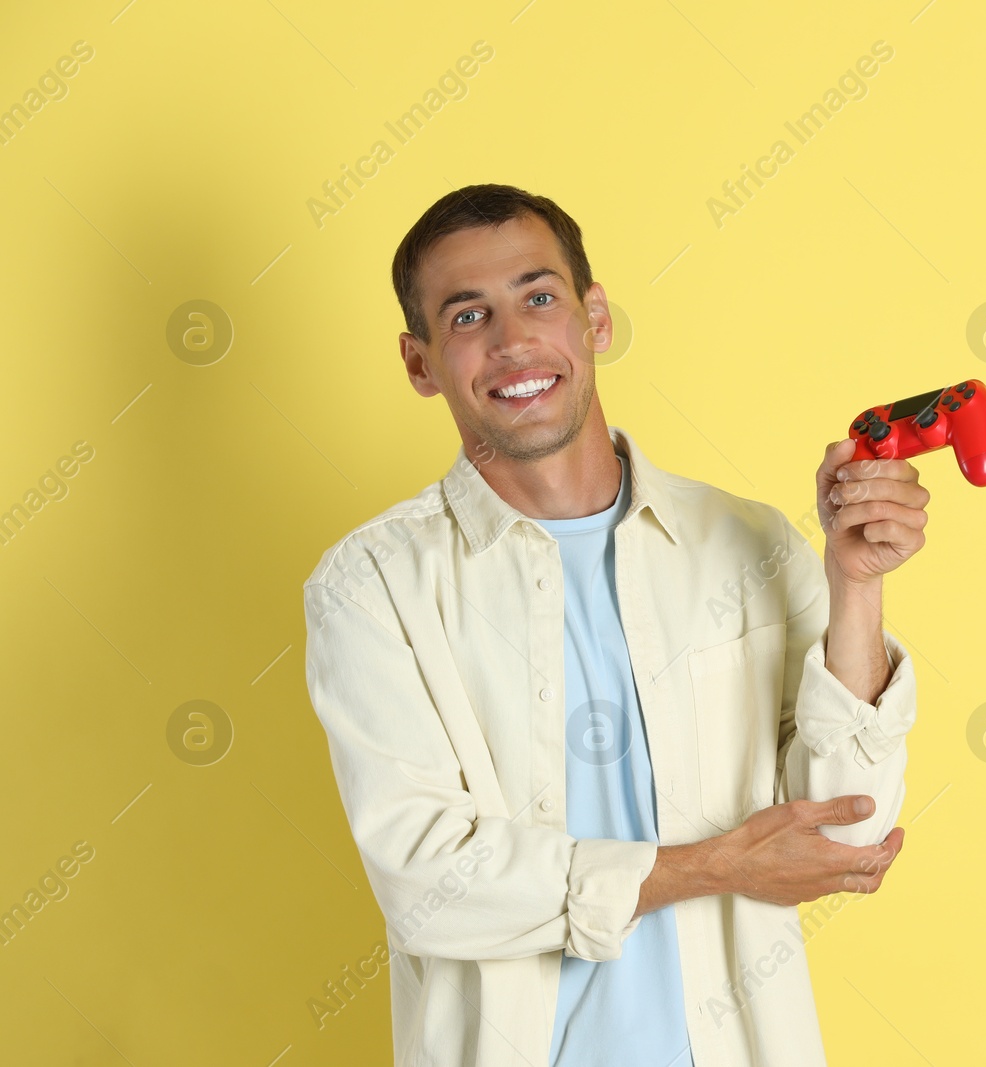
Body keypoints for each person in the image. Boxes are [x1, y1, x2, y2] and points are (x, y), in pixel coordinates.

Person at [302, 184, 927, 1067]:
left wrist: (855, 585)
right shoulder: (372, 586)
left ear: (594, 318)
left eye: (539, 296)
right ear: (420, 362)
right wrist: (715, 867)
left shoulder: (746, 545)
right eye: (469, 314)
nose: (514, 339)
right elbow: (428, 881)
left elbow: (844, 840)